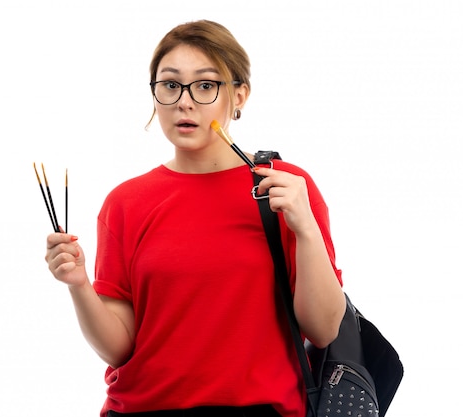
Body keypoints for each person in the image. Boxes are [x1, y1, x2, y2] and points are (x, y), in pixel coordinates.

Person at [44, 19, 346, 417]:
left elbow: (324, 329)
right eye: (170, 85)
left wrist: (305, 228)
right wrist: (79, 284)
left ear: (239, 95)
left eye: (205, 85)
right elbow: (119, 348)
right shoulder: (125, 202)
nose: (184, 102)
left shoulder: (284, 186)